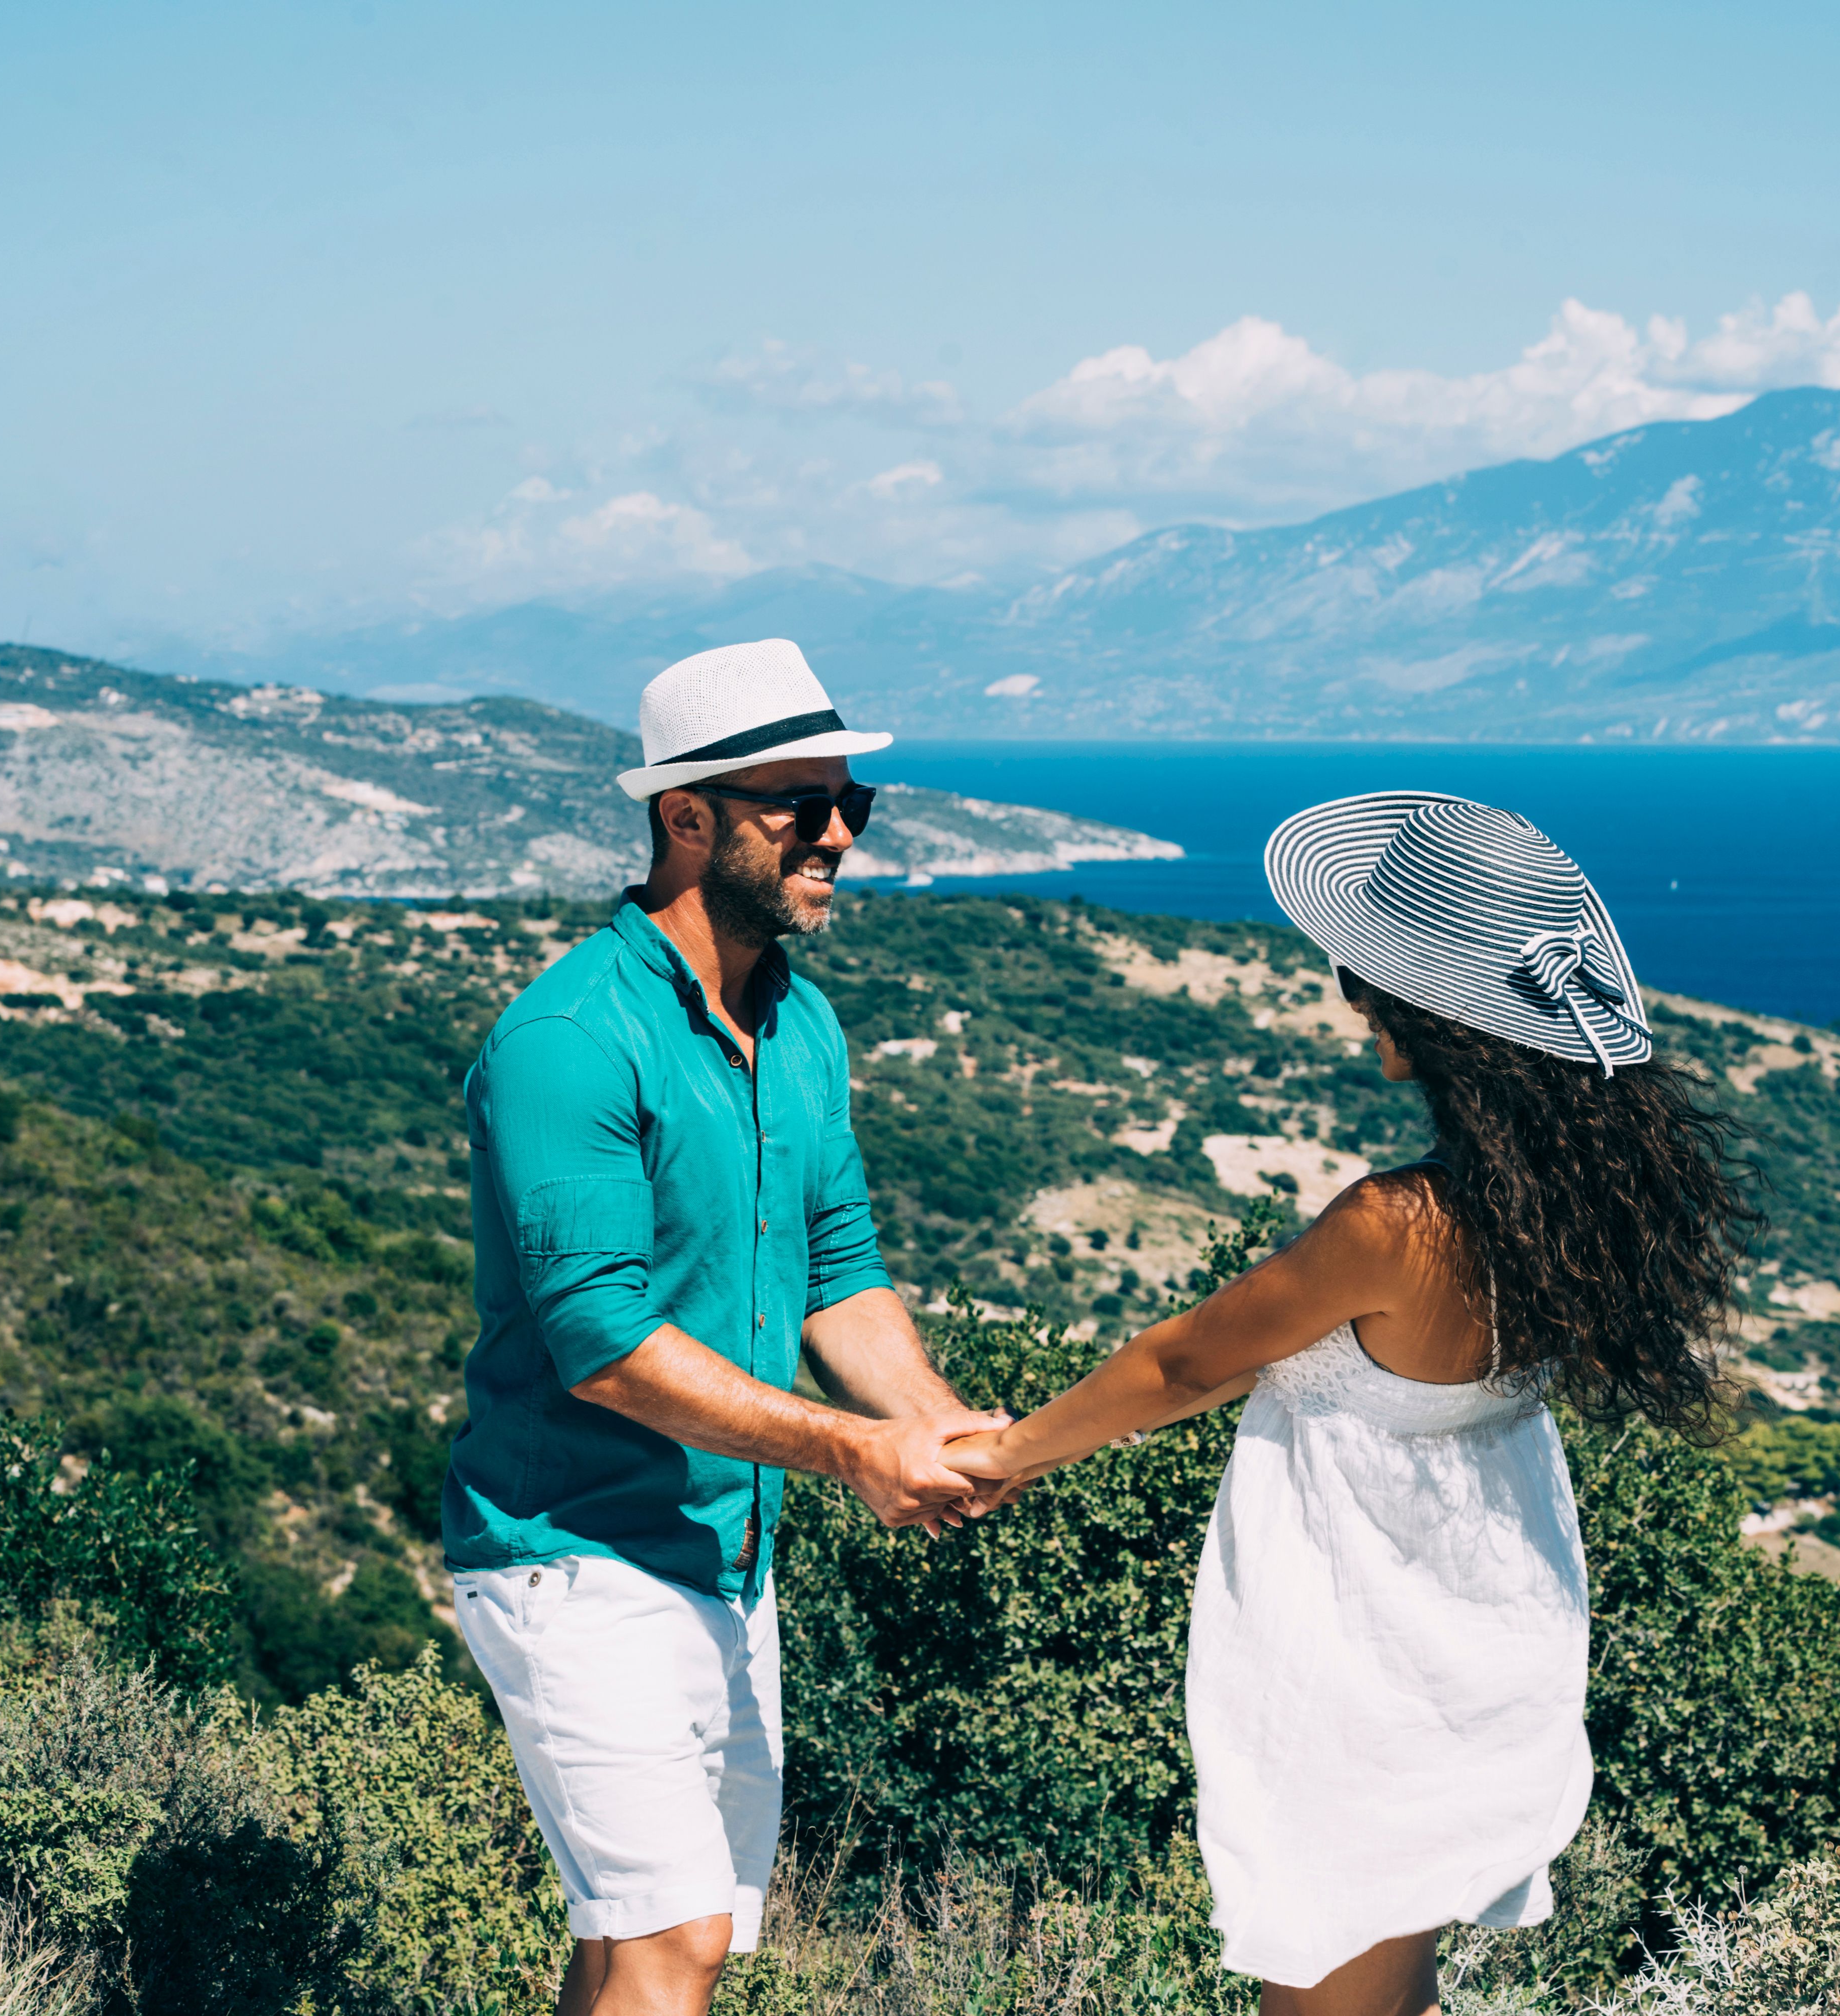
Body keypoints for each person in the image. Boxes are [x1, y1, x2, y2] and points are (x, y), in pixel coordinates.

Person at [944, 792, 1752, 2016]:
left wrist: (1005, 1452)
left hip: (1358, 1650)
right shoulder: (1571, 1215)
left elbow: (1184, 1363)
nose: (1350, 994)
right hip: (1481, 1626)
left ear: (1433, 1013)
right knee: (1389, 1979)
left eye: (1367, 973)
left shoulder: (1398, 1224)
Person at [443, 638, 1007, 2016]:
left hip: (728, 1558)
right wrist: (852, 1451)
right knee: (676, 1938)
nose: (839, 835)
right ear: (686, 817)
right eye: (802, 806)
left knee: (635, 1943)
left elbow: (840, 1271)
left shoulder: (802, 1027)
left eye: (851, 803)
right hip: (573, 1551)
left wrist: (935, 1426)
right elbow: (602, 1340)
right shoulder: (571, 1037)